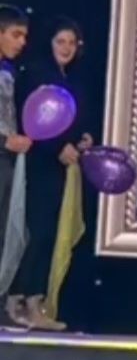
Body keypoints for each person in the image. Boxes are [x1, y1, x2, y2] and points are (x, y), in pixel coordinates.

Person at [10, 17, 94, 331]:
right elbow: (31, 121)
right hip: (38, 165)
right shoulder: (36, 74)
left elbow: (71, 122)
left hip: (60, 170)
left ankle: (35, 300)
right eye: (61, 41)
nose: (67, 48)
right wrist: (57, 147)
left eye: (72, 43)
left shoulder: (71, 80)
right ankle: (19, 300)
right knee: (37, 232)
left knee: (49, 234)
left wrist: (83, 139)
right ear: (49, 43)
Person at [0, 6, 31, 330]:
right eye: (16, 35)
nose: (21, 42)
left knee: (5, 231)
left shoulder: (8, 73)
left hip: (7, 161)